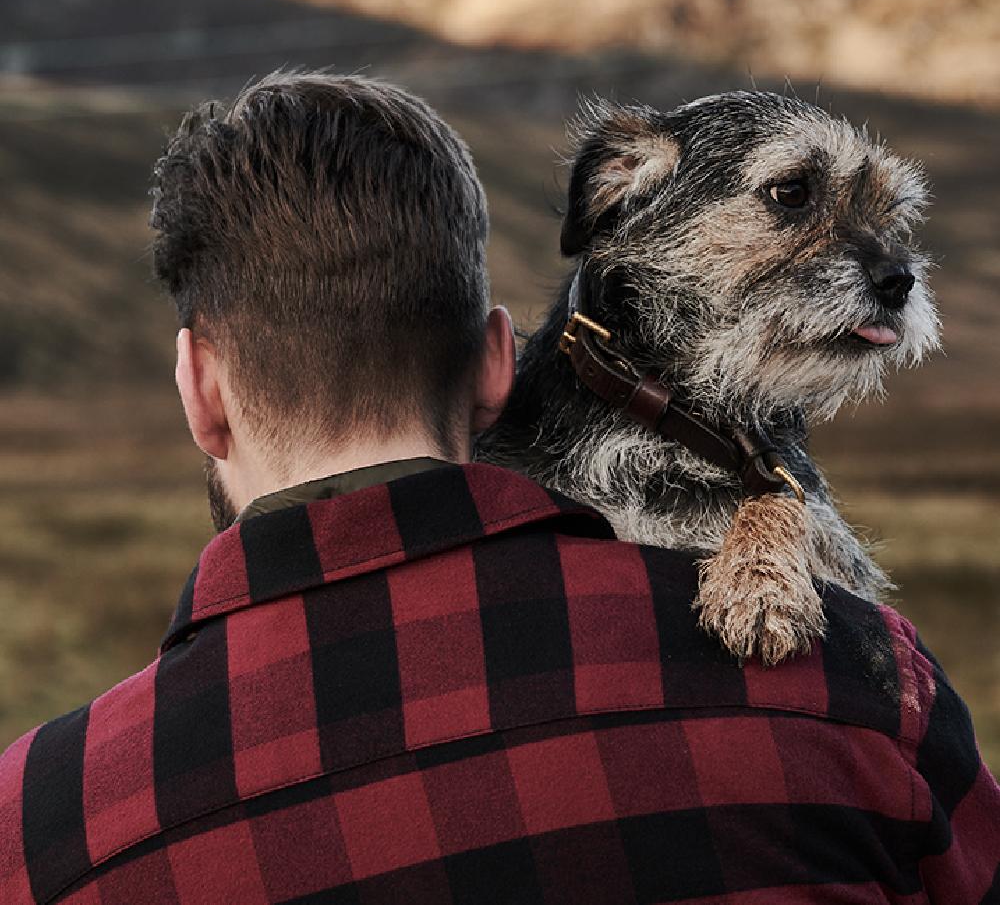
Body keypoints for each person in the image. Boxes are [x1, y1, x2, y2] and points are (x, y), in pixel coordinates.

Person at [0, 69, 997, 905]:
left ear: (200, 391)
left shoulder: (41, 824)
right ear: (494, 363)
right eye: (790, 199)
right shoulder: (863, 691)